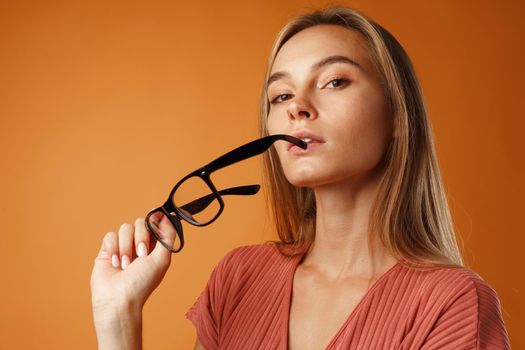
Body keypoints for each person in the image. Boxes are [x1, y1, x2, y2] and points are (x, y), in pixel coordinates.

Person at [90, 6, 511, 350]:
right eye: (282, 95)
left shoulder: (452, 304)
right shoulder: (239, 278)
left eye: (334, 81)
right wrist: (118, 319)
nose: (298, 108)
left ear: (398, 115)